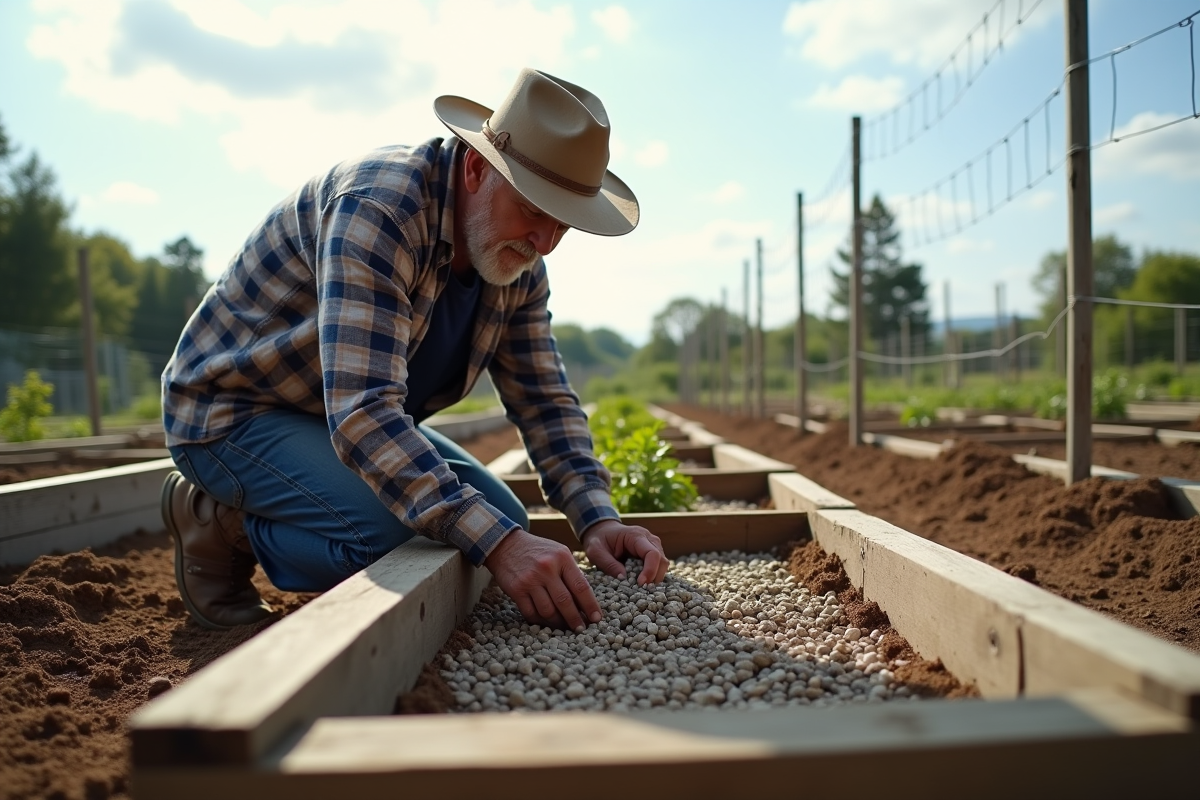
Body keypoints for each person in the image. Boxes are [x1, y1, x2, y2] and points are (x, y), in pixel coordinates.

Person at [159, 68, 669, 633]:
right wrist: (499, 546)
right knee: (402, 538)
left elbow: (544, 400)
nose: (545, 242)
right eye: (534, 211)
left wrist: (597, 518)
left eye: (564, 225)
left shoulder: (520, 263)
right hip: (235, 414)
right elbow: (363, 412)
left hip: (328, 419)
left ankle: (288, 502)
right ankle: (219, 521)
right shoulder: (379, 210)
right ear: (477, 168)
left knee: (501, 519)